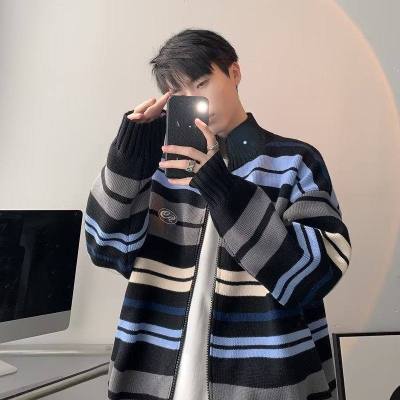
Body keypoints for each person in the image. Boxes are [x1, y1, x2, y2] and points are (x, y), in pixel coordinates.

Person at [84, 28, 352, 400]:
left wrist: (219, 184)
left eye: (202, 83)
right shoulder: (158, 169)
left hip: (271, 384)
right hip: (153, 379)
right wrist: (130, 157)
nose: (195, 100)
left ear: (234, 72)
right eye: (179, 94)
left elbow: (314, 275)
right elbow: (105, 248)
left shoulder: (294, 161)